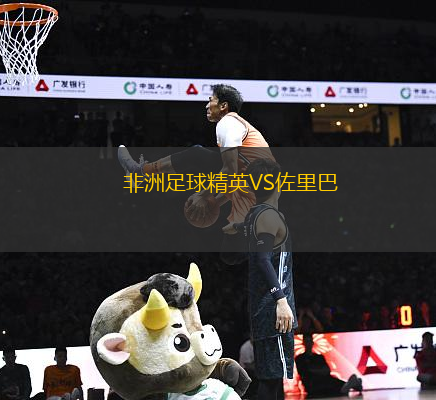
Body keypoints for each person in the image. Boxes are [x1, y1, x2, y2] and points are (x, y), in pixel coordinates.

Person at [117, 84, 275, 262]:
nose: (207, 105)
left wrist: (203, 194)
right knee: (230, 256)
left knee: (197, 154)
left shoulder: (228, 122)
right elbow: (237, 179)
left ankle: (140, 172)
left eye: (211, 100)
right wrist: (215, 201)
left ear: (223, 106)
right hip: (262, 189)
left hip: (259, 184)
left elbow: (230, 171)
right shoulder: (239, 127)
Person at [223, 158, 294, 400]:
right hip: (273, 308)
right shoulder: (268, 217)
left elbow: (232, 257)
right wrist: (281, 300)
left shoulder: (254, 216)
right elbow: (263, 260)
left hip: (263, 308)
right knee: (271, 381)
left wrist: (233, 230)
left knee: (272, 379)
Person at [295, 334, 361, 397]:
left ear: (312, 342)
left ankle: (354, 384)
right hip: (312, 385)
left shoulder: (319, 357)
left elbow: (327, 370)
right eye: (306, 341)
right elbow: (304, 372)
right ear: (303, 343)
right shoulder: (300, 358)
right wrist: (319, 370)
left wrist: (314, 370)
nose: (308, 344)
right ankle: (353, 384)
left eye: (309, 341)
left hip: (324, 379)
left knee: (335, 382)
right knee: (335, 385)